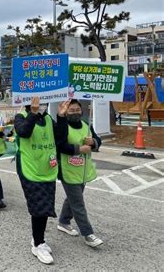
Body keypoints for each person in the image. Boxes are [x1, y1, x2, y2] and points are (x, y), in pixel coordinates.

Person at [14, 96, 70, 265]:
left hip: (47, 168)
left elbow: (60, 138)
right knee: (38, 206)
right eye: (38, 102)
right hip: (29, 168)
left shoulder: (47, 118)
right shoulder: (21, 116)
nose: (41, 105)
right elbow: (23, 132)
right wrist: (33, 113)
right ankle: (38, 244)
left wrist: (61, 117)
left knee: (45, 205)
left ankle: (38, 239)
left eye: (44, 102)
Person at [56, 99, 103, 248]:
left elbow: (98, 141)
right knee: (78, 203)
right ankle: (88, 234)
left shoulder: (86, 124)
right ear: (66, 111)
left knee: (73, 199)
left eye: (77, 110)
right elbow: (60, 145)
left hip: (83, 170)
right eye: (71, 110)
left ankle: (63, 221)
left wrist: (93, 142)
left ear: (81, 111)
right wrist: (79, 149)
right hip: (68, 170)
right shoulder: (62, 125)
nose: (75, 113)